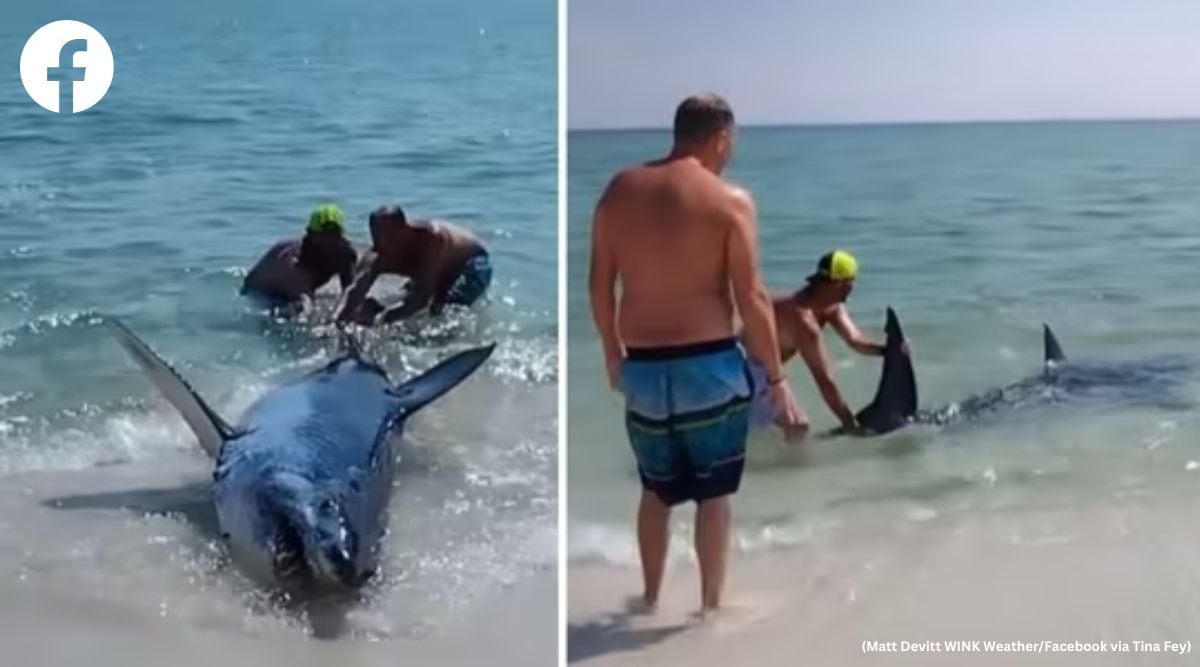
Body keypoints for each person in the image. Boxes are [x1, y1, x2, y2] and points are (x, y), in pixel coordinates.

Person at [589, 93, 805, 615]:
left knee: (655, 492)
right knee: (714, 496)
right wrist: (776, 380)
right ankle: (710, 606)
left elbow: (599, 285)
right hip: (709, 365)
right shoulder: (730, 200)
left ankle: (649, 596)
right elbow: (751, 299)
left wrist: (612, 354)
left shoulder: (620, 190)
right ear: (721, 137)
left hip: (641, 365)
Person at [749, 250, 905, 432]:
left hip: (768, 370)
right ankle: (791, 460)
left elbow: (855, 340)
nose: (852, 288)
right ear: (840, 285)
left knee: (789, 427)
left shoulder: (831, 306)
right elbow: (825, 380)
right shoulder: (803, 321)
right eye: (850, 283)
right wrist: (850, 424)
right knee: (796, 427)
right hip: (749, 370)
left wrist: (889, 351)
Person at [333, 205, 492, 326]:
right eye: (376, 236)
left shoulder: (431, 238)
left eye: (390, 236)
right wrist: (337, 320)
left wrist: (381, 321)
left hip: (469, 263)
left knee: (443, 310)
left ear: (405, 229)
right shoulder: (376, 254)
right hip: (432, 268)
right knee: (404, 298)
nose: (383, 243)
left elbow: (423, 297)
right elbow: (354, 289)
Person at [240, 204, 357, 313]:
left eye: (334, 233)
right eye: (324, 235)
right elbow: (304, 305)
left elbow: (350, 291)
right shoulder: (296, 263)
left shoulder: (346, 255)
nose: (330, 241)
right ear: (311, 235)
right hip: (262, 291)